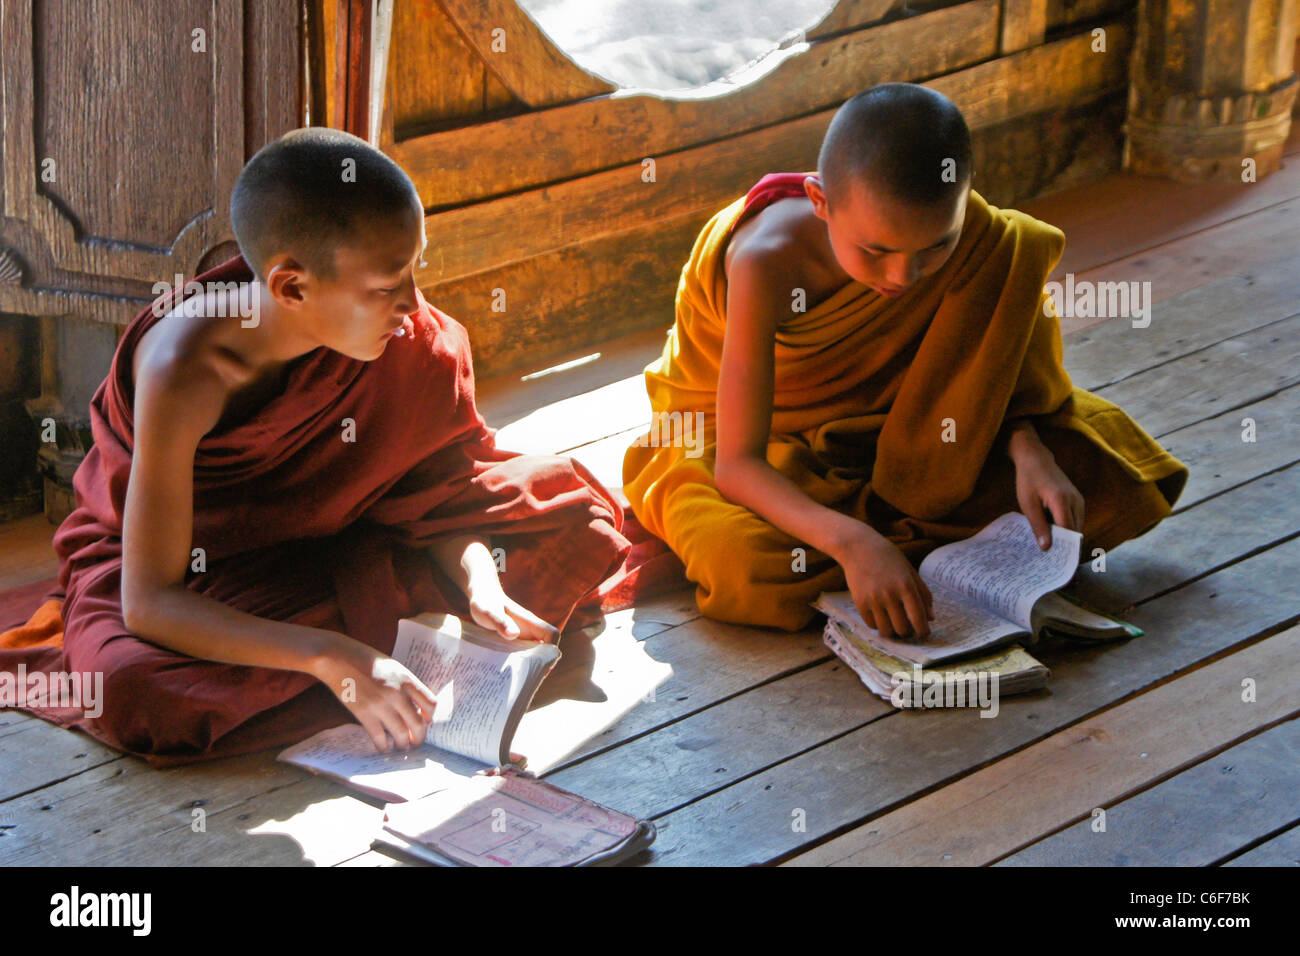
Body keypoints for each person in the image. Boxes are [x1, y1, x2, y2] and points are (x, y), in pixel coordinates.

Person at [0, 127, 630, 764]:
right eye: (388, 288)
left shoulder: (406, 339)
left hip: (349, 539)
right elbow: (152, 601)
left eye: (416, 270)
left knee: (573, 515)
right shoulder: (185, 371)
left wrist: (477, 580)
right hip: (209, 574)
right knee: (132, 688)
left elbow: (433, 494)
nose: (413, 306)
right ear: (292, 289)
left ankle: (380, 660)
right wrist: (337, 658)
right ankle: (369, 663)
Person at [622, 83, 1188, 636]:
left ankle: (911, 552)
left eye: (934, 248)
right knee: (744, 563)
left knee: (1103, 477)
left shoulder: (976, 234)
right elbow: (738, 466)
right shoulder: (765, 263)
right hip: (746, 440)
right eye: (876, 251)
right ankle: (901, 551)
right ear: (820, 201)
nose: (903, 276)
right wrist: (855, 543)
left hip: (910, 427)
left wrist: (1026, 444)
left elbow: (983, 363)